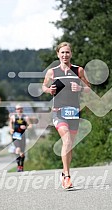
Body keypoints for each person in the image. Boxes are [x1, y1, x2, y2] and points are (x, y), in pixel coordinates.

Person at [42, 42, 91, 189]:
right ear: (58, 54)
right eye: (62, 53)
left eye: (67, 52)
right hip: (59, 112)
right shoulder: (52, 72)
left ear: (71, 54)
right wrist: (49, 90)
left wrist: (81, 88)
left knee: (70, 145)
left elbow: (89, 88)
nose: (65, 55)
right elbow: (43, 86)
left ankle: (64, 173)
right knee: (67, 139)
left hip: (74, 112)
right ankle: (67, 176)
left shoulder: (79, 70)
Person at [9, 104, 32, 172]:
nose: (19, 110)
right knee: (18, 150)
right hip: (16, 135)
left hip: (23, 136)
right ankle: (18, 166)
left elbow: (30, 125)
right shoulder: (13, 117)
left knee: (22, 152)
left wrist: (26, 127)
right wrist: (11, 129)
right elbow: (10, 123)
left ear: (22, 109)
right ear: (16, 110)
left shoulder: (25, 117)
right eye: (17, 109)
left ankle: (21, 166)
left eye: (20, 108)